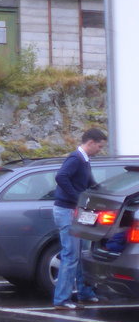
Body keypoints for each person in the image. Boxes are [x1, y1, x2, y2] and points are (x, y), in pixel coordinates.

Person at [52, 128, 108, 309]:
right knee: (70, 256)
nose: (100, 150)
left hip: (76, 212)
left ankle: (85, 293)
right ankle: (62, 300)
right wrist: (77, 198)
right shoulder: (76, 158)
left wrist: (104, 191)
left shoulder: (84, 160)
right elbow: (61, 177)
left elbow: (89, 182)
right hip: (67, 211)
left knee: (81, 254)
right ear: (90, 142)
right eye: (99, 146)